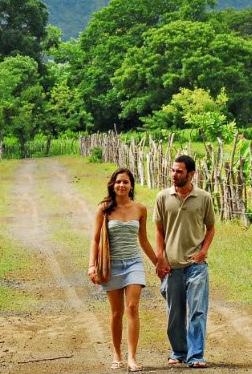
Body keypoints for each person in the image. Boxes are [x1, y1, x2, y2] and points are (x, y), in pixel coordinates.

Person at [88, 167, 157, 372]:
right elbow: (95, 240)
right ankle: (117, 354)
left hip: (134, 263)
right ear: (112, 184)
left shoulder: (141, 209)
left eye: (125, 182)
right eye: (118, 182)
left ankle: (132, 358)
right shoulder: (104, 209)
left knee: (133, 308)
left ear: (131, 185)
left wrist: (157, 263)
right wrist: (92, 266)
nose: (121, 185)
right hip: (111, 265)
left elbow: (143, 240)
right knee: (117, 312)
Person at [154, 154, 216, 368]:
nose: (174, 175)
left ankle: (196, 356)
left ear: (191, 174)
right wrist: (160, 257)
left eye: (179, 171)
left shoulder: (204, 197)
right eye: (172, 170)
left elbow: (211, 228)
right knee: (175, 312)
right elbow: (159, 230)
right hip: (172, 266)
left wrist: (203, 253)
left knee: (197, 310)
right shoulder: (163, 197)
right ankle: (179, 352)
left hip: (196, 265)